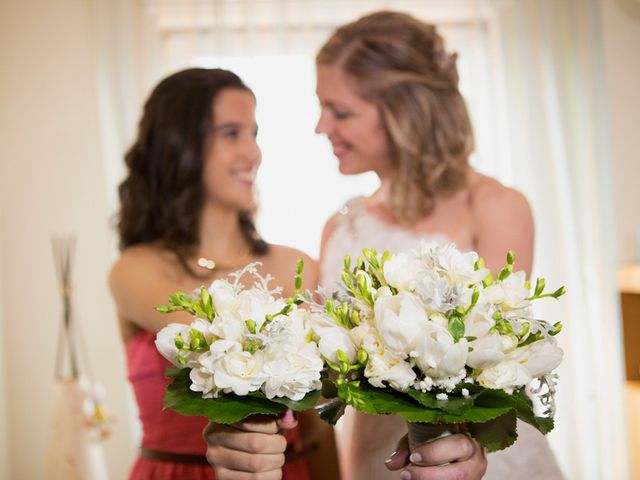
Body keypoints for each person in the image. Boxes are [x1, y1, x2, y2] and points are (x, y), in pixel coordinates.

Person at [315, 10, 564, 480]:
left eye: (340, 111)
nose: (321, 126)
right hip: (374, 461)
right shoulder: (339, 226)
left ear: (403, 110)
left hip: (478, 460)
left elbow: (493, 367)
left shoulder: (494, 207)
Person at [109, 67, 339, 480]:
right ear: (179, 146)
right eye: (231, 133)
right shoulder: (135, 270)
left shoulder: (296, 266)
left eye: (254, 133)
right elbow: (215, 346)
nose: (254, 153)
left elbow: (319, 426)